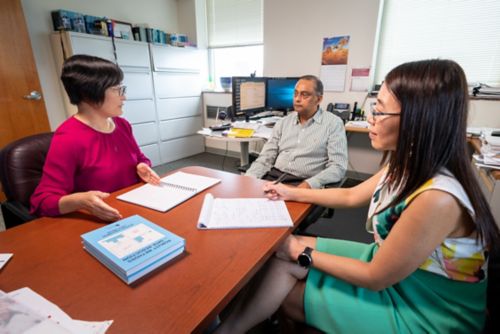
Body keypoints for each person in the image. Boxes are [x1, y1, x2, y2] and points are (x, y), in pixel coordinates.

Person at [215, 59, 500, 333]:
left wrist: (296, 250)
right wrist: (291, 192)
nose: (370, 119)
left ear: (418, 119)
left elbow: (376, 277)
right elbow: (352, 196)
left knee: (288, 260)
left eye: (379, 111)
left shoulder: (437, 198)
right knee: (284, 251)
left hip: (426, 308)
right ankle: (230, 328)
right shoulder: (407, 162)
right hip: (397, 270)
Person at [30, 54, 160, 221]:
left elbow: (140, 158)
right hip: (102, 221)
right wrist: (80, 201)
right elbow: (42, 201)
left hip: (133, 209)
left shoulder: (122, 125)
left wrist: (142, 166)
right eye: (117, 89)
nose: (124, 96)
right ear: (89, 93)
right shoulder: (68, 138)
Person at [245, 75, 347, 189]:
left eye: (305, 95)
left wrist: (310, 184)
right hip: (274, 178)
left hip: (304, 182)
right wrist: (249, 178)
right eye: (295, 94)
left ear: (319, 99)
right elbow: (266, 158)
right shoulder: (283, 123)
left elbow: (338, 167)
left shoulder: (333, 124)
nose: (297, 99)